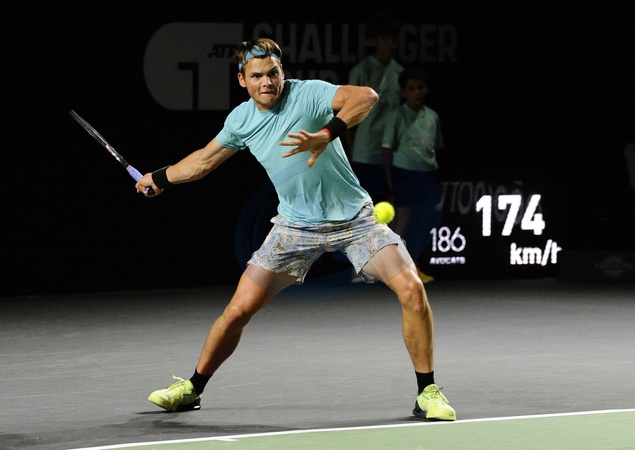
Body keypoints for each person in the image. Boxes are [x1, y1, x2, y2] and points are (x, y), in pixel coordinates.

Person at [136, 38, 455, 422]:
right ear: (242, 80)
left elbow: (366, 96)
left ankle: (427, 392)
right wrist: (159, 178)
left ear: (282, 71)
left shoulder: (309, 94)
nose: (267, 82)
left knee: (413, 290)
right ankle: (193, 388)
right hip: (295, 228)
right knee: (237, 311)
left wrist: (327, 133)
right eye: (257, 76)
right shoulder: (240, 120)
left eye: (273, 73)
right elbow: (203, 161)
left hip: (355, 220)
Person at [382, 67, 444, 284]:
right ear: (403, 92)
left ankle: (413, 266)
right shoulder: (396, 116)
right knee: (403, 221)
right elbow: (387, 149)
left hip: (427, 174)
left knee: (422, 222)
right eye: (411, 89)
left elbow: (435, 148)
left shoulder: (432, 116)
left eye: (420, 88)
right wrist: (390, 180)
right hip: (404, 172)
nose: (417, 92)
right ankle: (389, 268)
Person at [345, 13, 404, 204]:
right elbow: (347, 115)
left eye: (393, 39)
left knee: (392, 204)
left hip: (393, 154)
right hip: (365, 153)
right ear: (375, 41)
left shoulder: (400, 73)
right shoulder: (361, 71)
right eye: (385, 38)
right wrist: (353, 150)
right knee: (366, 207)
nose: (391, 44)